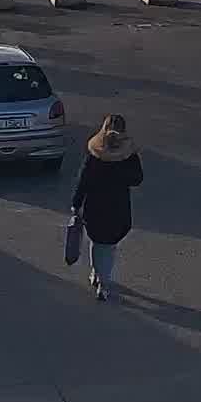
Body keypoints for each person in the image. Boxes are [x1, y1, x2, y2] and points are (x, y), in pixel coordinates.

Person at [70, 113, 143, 301]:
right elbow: (137, 179)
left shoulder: (95, 153)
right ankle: (104, 282)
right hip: (118, 208)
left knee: (96, 242)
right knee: (109, 247)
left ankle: (97, 274)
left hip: (95, 207)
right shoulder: (129, 156)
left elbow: (83, 181)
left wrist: (76, 204)